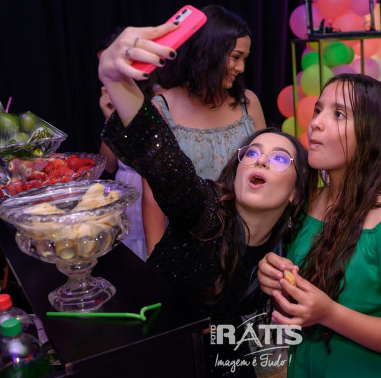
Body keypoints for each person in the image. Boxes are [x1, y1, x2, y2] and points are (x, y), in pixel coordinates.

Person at [98, 22, 316, 378]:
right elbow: (165, 164)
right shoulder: (206, 215)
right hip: (161, 355)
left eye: (279, 158)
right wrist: (116, 79)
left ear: (295, 192)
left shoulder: (286, 249)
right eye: (252, 152)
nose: (260, 160)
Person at [258, 74, 381, 377]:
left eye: (339, 114)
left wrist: (329, 314)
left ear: (372, 133)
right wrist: (275, 276)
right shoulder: (307, 202)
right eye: (318, 110)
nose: (316, 123)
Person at [142, 5, 266, 255]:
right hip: (189, 248)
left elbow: (268, 174)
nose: (241, 68)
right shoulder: (161, 109)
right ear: (207, 52)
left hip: (251, 242)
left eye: (245, 59)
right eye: (236, 57)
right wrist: (155, 264)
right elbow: (153, 196)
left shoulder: (248, 103)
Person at [96, 27, 150, 260]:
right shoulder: (112, 99)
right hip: (126, 196)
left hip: (153, 196)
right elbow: (108, 165)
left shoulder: (158, 99)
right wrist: (111, 119)